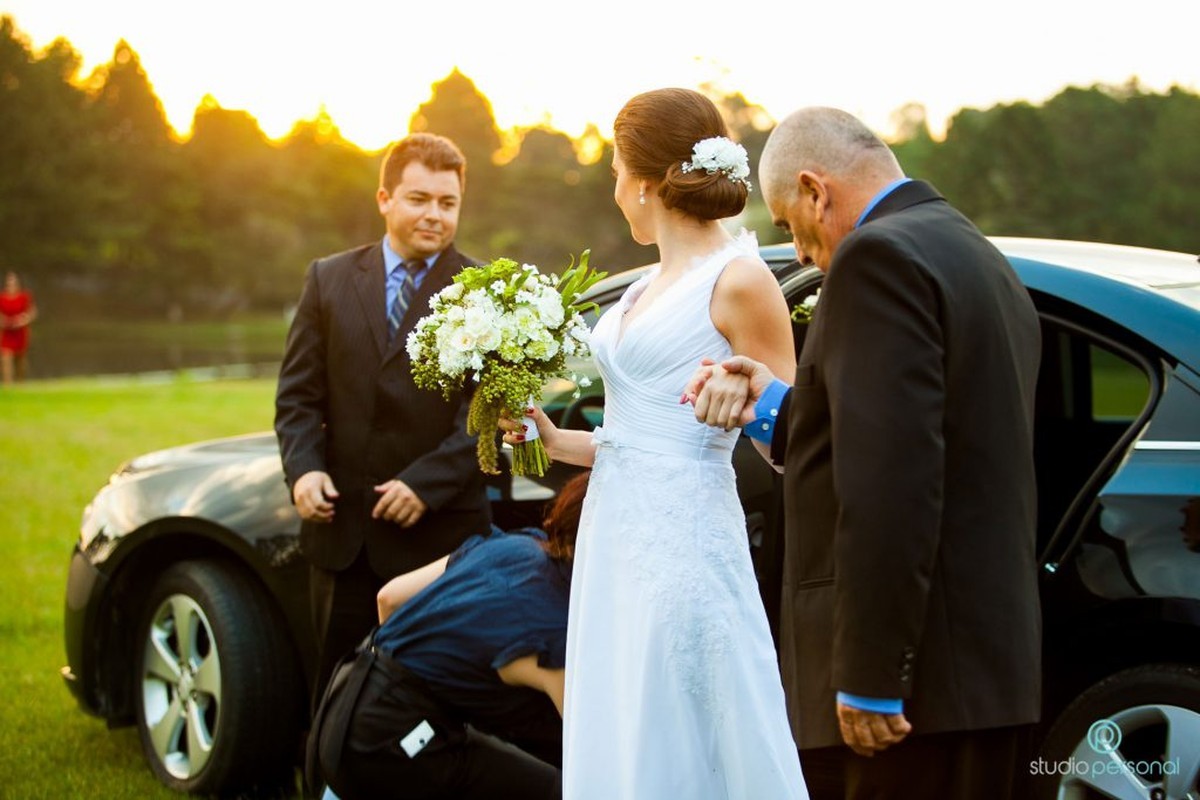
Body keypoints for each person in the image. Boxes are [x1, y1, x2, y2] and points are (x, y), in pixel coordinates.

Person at [687, 107, 1042, 800]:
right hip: (987, 673)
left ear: (817, 190)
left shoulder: (875, 261)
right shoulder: (976, 253)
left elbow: (891, 483)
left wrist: (873, 676)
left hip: (913, 693)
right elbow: (920, 435)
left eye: (790, 225)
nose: (795, 252)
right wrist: (776, 409)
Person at [502, 88, 809, 798]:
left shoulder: (741, 280)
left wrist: (748, 402)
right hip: (616, 538)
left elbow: (795, 440)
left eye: (613, 170)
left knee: (685, 719)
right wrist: (553, 438)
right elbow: (631, 441)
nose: (613, 189)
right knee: (622, 714)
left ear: (642, 181)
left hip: (685, 542)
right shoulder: (644, 287)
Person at [275, 132, 491, 711]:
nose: (434, 216)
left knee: (433, 695)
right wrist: (303, 472)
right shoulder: (328, 279)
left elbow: (487, 414)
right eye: (419, 199)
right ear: (384, 199)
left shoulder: (484, 292)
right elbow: (297, 398)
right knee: (337, 692)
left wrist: (427, 483)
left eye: (447, 203)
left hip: (439, 538)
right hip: (342, 532)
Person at [328, 471, 589, 800]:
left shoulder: (516, 546)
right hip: (392, 742)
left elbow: (390, 597)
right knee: (559, 788)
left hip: (345, 696)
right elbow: (588, 751)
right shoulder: (555, 634)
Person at [0, 271, 37, 385]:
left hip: (20, 332)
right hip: (6, 332)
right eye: (9, 283)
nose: (11, 285)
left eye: (13, 282)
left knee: (21, 361)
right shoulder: (2, 298)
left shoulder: (24, 296)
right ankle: (8, 385)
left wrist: (23, 320)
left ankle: (21, 384)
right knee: (6, 358)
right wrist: (4, 321)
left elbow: (32, 312)